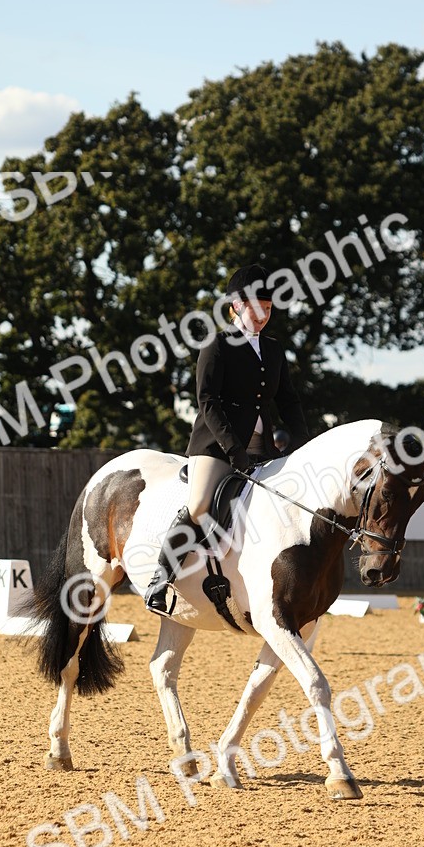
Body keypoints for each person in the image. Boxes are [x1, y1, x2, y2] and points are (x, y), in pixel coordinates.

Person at [144, 263, 310, 613]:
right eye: (256, 307)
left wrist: (302, 441)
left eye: (268, 308)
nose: (264, 314)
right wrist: (233, 448)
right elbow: (207, 401)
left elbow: (288, 400)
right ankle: (160, 580)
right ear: (236, 306)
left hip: (263, 449)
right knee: (200, 504)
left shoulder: (275, 350)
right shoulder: (217, 344)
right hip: (216, 447)